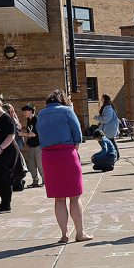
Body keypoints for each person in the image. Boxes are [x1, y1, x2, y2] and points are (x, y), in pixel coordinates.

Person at [36, 90, 92, 244]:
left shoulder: (41, 114)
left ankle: (64, 234)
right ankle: (80, 233)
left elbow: (40, 135)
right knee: (75, 197)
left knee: (59, 199)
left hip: (48, 156)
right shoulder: (67, 111)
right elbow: (78, 134)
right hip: (67, 153)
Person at [19, 103, 44, 188]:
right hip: (31, 146)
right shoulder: (29, 120)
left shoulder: (36, 119)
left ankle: (45, 181)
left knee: (40, 165)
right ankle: (35, 181)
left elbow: (34, 134)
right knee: (32, 165)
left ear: (30, 111)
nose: (24, 113)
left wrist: (22, 134)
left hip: (38, 146)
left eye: (25, 111)